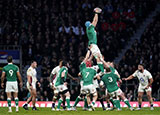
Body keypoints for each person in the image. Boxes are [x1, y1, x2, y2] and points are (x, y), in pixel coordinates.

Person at [85, 7, 104, 73]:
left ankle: (102, 70)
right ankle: (102, 71)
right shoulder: (90, 29)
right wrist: (96, 13)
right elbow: (95, 21)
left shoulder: (90, 28)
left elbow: (94, 21)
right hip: (93, 44)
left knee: (99, 57)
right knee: (99, 57)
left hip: (93, 44)